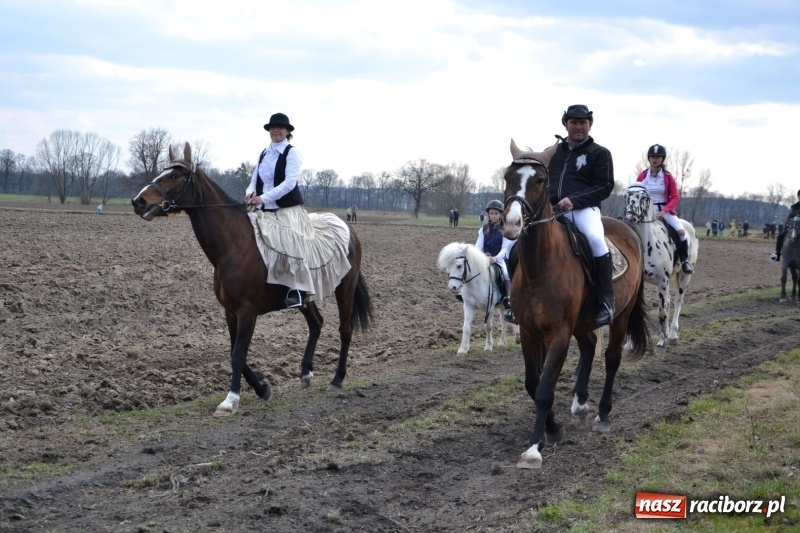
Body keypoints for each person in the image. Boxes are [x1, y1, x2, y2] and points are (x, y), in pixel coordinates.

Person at [548, 105, 616, 325]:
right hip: (551, 210)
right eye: (573, 122)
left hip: (583, 210)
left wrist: (574, 200)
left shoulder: (600, 153)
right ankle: (516, 298)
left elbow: (604, 186)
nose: (578, 126)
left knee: (596, 240)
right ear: (565, 124)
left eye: (582, 122)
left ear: (590, 125)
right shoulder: (554, 152)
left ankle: (606, 300)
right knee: (521, 239)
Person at [244, 112, 311, 309]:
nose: (276, 131)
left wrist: (263, 198)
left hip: (286, 210)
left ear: (288, 131)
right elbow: (254, 179)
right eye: (273, 128)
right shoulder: (263, 153)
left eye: (280, 128)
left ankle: (297, 291)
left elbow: (290, 183)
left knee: (291, 243)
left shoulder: (292, 152)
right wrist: (250, 193)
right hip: (262, 209)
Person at [636, 144, 694, 274]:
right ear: (649, 158)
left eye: (658, 156)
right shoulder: (643, 176)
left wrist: (665, 211)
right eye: (652, 156)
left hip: (664, 210)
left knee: (681, 232)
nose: (654, 159)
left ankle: (684, 261)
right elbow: (636, 193)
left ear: (662, 159)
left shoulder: (667, 176)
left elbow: (675, 197)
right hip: (646, 211)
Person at [475, 200, 516, 323]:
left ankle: (509, 299)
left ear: (501, 214)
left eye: (496, 213)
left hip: (499, 259)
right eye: (492, 213)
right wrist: (478, 256)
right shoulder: (483, 229)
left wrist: (496, 258)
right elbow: (478, 246)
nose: (493, 216)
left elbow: (505, 248)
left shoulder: (505, 229)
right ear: (489, 214)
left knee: (506, 273)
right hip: (485, 258)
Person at [770, 189, 800, 261]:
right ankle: (777, 254)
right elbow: (789, 217)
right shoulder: (793, 207)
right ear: (798, 197)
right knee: (780, 236)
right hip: (793, 227)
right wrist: (786, 226)